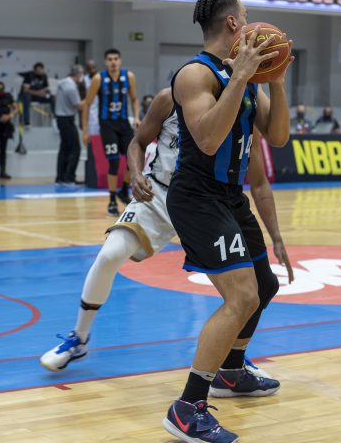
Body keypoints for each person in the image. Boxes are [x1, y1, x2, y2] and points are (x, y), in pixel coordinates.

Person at [41, 87, 294, 384]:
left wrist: (276, 236)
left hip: (208, 204)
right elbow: (137, 141)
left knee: (245, 291)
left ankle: (231, 358)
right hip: (159, 194)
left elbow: (260, 182)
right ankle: (79, 337)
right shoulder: (171, 97)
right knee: (110, 255)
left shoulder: (242, 108)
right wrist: (136, 174)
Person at [163, 0, 292, 443]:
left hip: (230, 197)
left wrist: (275, 79)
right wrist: (240, 76)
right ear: (234, 24)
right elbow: (209, 140)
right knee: (241, 296)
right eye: (247, 15)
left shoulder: (248, 78)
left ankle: (232, 372)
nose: (252, 21)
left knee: (265, 286)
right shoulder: (195, 75)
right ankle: (187, 407)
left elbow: (278, 137)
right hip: (197, 198)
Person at [81, 49, 141, 216]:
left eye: (115, 59)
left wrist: (136, 117)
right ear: (105, 62)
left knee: (132, 160)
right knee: (114, 162)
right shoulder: (99, 79)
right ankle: (112, 200)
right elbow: (86, 104)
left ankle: (124, 190)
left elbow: (134, 99)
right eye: (110, 59)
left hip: (124, 124)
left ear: (120, 61)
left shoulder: (129, 76)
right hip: (107, 125)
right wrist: (85, 130)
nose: (113, 62)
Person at [54, 65, 85, 185]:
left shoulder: (62, 83)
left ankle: (60, 177)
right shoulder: (72, 87)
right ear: (78, 74)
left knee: (64, 148)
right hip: (67, 119)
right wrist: (89, 99)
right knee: (75, 149)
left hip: (60, 118)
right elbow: (78, 105)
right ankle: (69, 177)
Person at [21, 62, 54, 126]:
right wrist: (38, 93)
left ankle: (55, 117)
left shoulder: (44, 76)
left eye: (41, 69)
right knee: (26, 98)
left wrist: (44, 92)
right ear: (34, 70)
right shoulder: (29, 75)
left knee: (52, 97)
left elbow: (46, 88)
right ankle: (27, 122)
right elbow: (25, 90)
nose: (40, 71)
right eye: (38, 70)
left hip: (39, 96)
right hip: (30, 96)